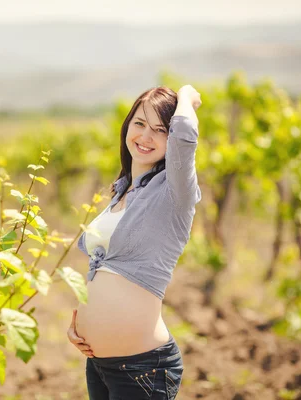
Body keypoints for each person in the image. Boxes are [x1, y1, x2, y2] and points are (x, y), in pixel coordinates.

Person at [66, 84, 202, 399]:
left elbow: (185, 135)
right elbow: (109, 270)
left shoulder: (174, 192)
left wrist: (186, 95)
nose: (145, 136)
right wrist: (83, 323)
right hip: (99, 362)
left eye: (160, 129)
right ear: (127, 126)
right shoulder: (121, 192)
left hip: (143, 367)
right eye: (139, 123)